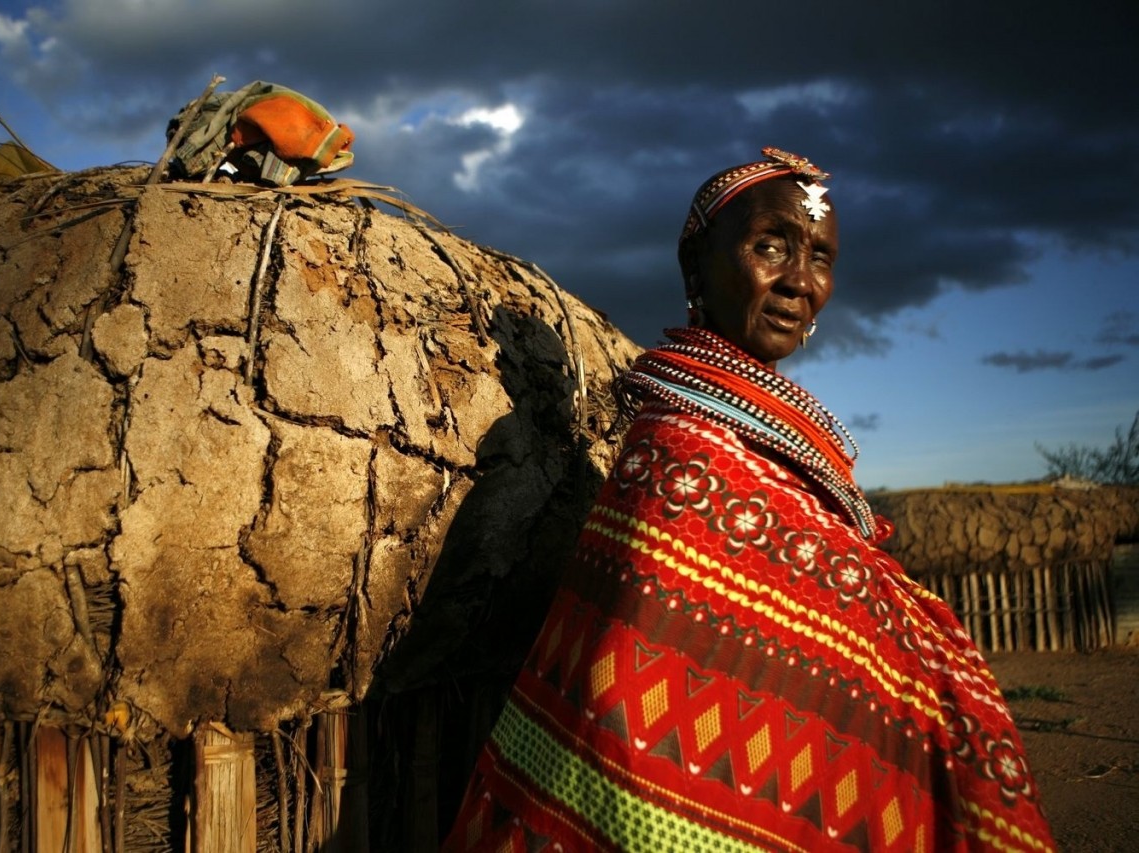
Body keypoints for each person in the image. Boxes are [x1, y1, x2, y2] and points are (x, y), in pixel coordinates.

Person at [442, 148, 1056, 852]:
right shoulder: (677, 450)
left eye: (820, 257)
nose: (800, 281)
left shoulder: (791, 449)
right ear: (695, 264)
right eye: (771, 245)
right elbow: (631, 696)